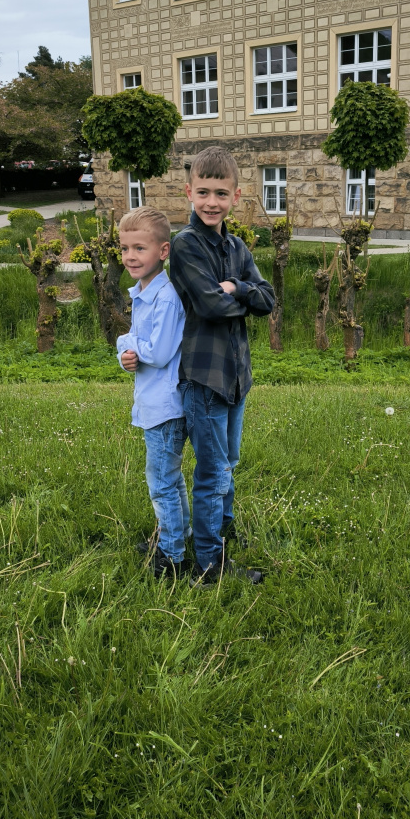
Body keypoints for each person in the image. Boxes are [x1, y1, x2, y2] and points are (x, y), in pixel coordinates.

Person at [168, 146, 274, 585]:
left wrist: (237, 287)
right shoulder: (185, 245)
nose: (212, 202)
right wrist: (240, 294)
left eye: (222, 194)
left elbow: (268, 300)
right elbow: (210, 307)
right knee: (212, 473)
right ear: (189, 192)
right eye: (204, 193)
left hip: (236, 377)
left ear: (237, 195)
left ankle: (223, 534)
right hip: (204, 379)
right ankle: (210, 564)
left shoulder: (237, 246)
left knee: (229, 462)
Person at [115, 207, 189, 578]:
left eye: (139, 248)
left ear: (163, 251)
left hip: (165, 406)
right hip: (153, 402)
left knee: (161, 483)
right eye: (124, 248)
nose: (130, 256)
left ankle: (172, 556)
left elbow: (157, 354)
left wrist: (123, 342)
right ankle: (177, 535)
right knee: (170, 479)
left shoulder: (167, 297)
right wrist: (125, 356)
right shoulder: (143, 292)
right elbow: (138, 352)